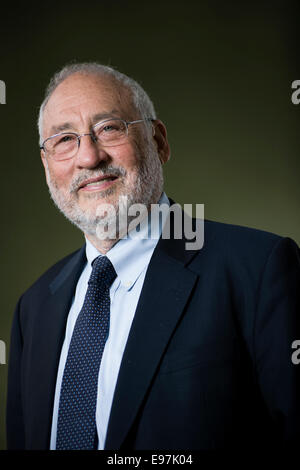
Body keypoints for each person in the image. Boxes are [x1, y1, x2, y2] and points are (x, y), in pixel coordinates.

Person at [6, 62, 300, 451]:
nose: (89, 157)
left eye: (109, 128)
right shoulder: (34, 308)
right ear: (47, 166)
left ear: (159, 141)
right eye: (64, 139)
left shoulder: (259, 270)